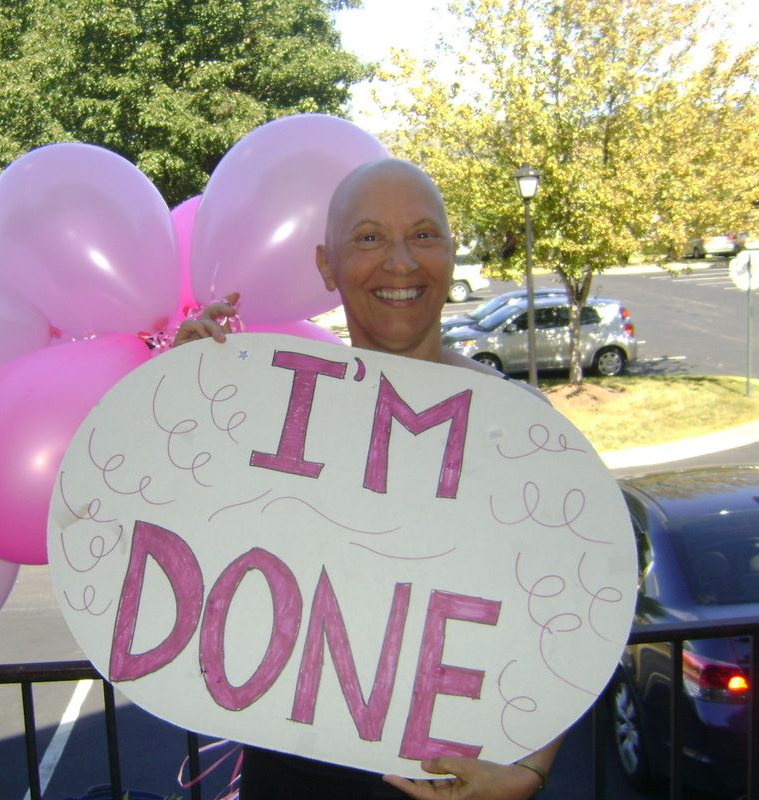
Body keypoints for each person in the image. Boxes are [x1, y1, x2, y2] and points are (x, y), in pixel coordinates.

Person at [173, 158, 563, 799]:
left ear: (452, 249)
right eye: (369, 238)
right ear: (327, 265)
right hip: (296, 774)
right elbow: (188, 557)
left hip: (463, 774)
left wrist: (527, 773)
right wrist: (185, 405)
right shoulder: (276, 416)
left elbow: (569, 608)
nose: (402, 263)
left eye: (424, 234)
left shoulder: (520, 428)